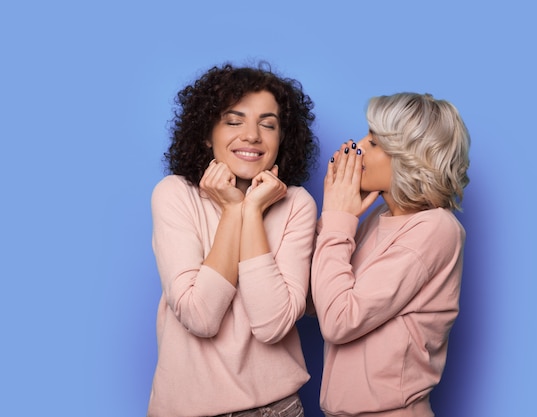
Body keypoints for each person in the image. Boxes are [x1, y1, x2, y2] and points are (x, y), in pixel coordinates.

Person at [147, 62, 319, 417]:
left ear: (282, 138)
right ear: (207, 133)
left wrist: (252, 212)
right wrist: (232, 210)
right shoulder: (175, 194)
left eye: (268, 124)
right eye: (234, 121)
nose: (253, 135)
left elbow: (272, 324)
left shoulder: (297, 203)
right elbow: (200, 317)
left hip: (277, 408)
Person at [311, 92, 470, 417]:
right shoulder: (375, 219)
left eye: (375, 143)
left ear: (411, 157)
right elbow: (320, 302)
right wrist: (328, 223)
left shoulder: (435, 229)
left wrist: (337, 220)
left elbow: (339, 321)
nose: (357, 147)